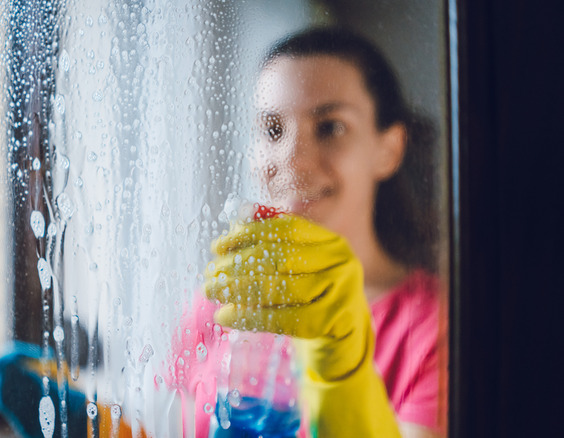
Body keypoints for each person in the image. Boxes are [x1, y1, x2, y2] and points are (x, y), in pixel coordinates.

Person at [174, 27, 444, 438]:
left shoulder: (434, 329)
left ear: (388, 149)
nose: (293, 162)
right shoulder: (222, 302)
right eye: (273, 130)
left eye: (330, 127)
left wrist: (342, 367)